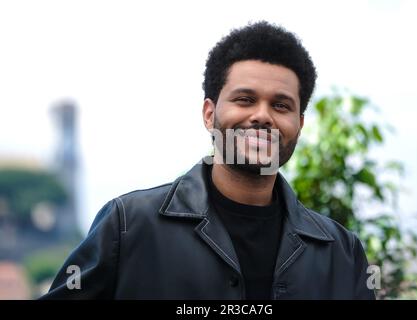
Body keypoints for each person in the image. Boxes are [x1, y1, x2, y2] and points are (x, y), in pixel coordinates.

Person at [42, 21, 375, 300]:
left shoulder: (342, 253)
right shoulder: (128, 226)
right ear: (209, 113)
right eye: (245, 99)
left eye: (281, 106)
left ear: (299, 126)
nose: (262, 116)